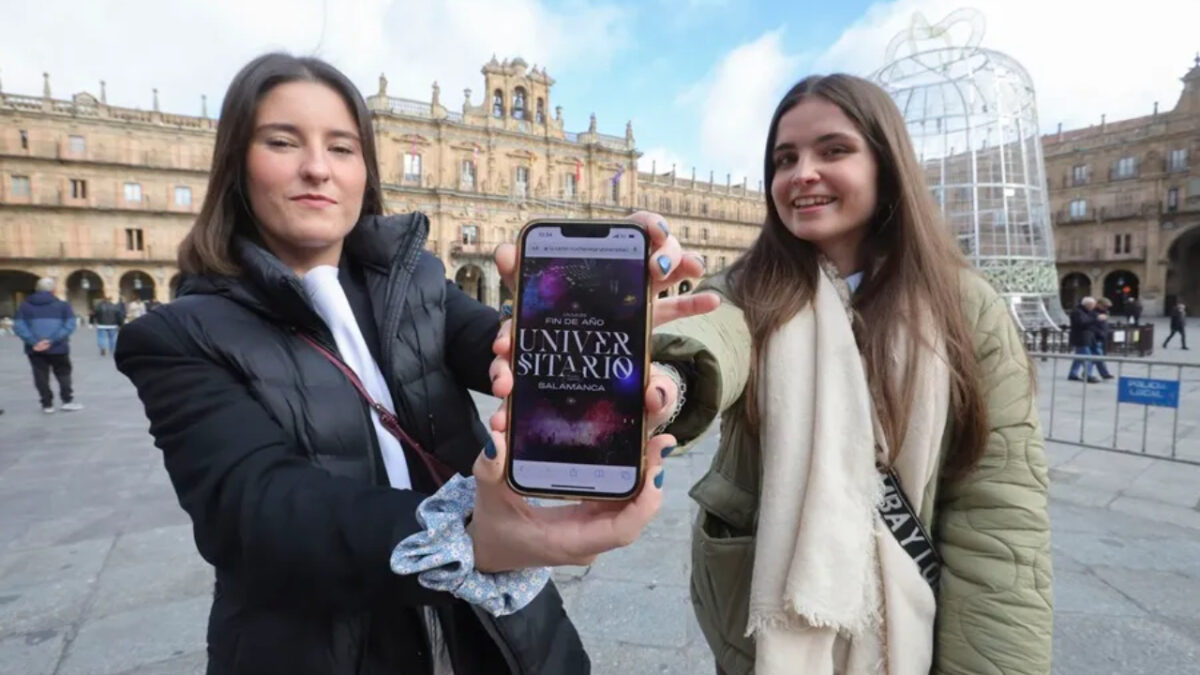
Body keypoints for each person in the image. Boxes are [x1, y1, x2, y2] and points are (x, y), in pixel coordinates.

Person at [114, 53, 712, 675]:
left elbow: (509, 349)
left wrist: (603, 330)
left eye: (342, 148)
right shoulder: (176, 337)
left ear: (365, 170)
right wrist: (470, 541)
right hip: (317, 649)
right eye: (283, 141)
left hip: (504, 636)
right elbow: (254, 508)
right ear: (235, 162)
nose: (317, 167)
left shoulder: (417, 282)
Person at [493, 74, 1053, 674]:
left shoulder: (967, 307)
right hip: (762, 629)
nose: (802, 172)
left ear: (887, 165)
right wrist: (666, 381)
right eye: (785, 159)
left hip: (921, 619)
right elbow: (712, 336)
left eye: (833, 150)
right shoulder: (747, 288)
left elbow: (1001, 517)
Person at [14, 278, 84, 413]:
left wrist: (34, 342)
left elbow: (19, 326)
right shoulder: (63, 305)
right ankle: (67, 401)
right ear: (53, 290)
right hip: (59, 347)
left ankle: (47, 404)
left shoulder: (24, 306)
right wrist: (51, 340)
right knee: (63, 374)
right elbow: (69, 325)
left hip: (34, 349)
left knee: (40, 376)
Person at [1068, 296, 1101, 383]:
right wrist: (1095, 319)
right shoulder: (1077, 312)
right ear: (1088, 304)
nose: (1094, 307)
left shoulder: (1088, 312)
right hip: (1081, 338)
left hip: (1087, 337)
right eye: (1092, 305)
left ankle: (1073, 374)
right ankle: (1088, 375)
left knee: (1078, 358)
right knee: (1087, 357)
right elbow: (1081, 323)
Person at [1089, 297, 1114, 379]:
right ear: (1099, 304)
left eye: (1107, 307)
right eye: (1104, 306)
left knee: (1095, 357)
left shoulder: (1104, 312)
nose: (1106, 308)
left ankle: (1087, 373)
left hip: (1101, 337)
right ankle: (1104, 374)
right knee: (1098, 356)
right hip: (1096, 337)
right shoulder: (1093, 312)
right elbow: (1091, 324)